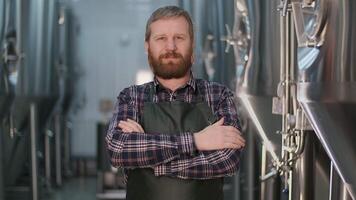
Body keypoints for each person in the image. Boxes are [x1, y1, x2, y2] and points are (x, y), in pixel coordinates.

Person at [106, 5, 245, 200]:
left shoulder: (219, 95)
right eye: (161, 38)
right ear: (148, 46)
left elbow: (228, 160)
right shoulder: (131, 97)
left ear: (192, 44)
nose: (170, 47)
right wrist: (198, 141)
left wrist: (152, 163)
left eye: (179, 38)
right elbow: (118, 150)